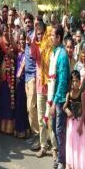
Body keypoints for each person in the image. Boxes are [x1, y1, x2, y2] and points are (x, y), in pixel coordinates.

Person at [30, 21, 56, 158]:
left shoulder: (50, 45)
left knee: (50, 120)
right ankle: (43, 146)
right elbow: (34, 56)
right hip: (40, 86)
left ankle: (54, 148)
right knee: (41, 119)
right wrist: (35, 39)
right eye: (37, 33)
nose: (39, 35)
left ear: (45, 32)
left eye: (41, 33)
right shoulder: (35, 44)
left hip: (50, 87)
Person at [48, 25, 70, 169]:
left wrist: (55, 102)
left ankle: (62, 161)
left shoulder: (62, 55)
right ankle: (61, 158)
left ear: (59, 38)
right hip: (55, 98)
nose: (50, 37)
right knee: (56, 129)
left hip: (60, 100)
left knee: (60, 130)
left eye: (52, 35)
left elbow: (62, 81)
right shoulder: (55, 52)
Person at [64, 70, 85, 169]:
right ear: (71, 82)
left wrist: (81, 126)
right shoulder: (68, 94)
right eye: (73, 81)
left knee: (80, 148)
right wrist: (67, 111)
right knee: (72, 147)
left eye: (77, 81)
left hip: (79, 124)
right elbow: (64, 107)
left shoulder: (82, 94)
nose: (75, 83)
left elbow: (84, 111)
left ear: (80, 81)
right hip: (71, 124)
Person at [0, 24, 16, 135]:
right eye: (4, 30)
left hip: (13, 71)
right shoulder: (1, 42)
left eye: (8, 30)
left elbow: (16, 54)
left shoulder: (14, 42)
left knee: (10, 98)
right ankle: (3, 126)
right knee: (4, 97)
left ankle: (10, 126)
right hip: (4, 71)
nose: (6, 32)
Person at [24, 13, 39, 149]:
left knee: (31, 107)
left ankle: (38, 136)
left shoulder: (34, 36)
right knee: (29, 109)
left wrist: (31, 41)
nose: (27, 24)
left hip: (34, 75)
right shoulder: (26, 36)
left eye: (29, 22)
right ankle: (34, 135)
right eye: (26, 22)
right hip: (26, 76)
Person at [15, 31, 30, 138]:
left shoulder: (26, 53)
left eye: (22, 39)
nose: (21, 41)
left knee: (22, 106)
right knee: (19, 105)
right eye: (19, 39)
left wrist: (18, 78)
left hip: (23, 81)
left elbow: (22, 68)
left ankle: (23, 129)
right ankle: (21, 129)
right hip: (18, 81)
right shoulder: (19, 52)